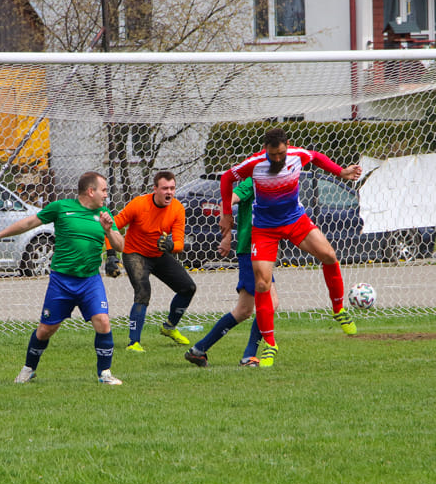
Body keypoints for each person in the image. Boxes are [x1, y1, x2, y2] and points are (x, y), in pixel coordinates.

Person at [219, 127, 362, 367]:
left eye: (281, 154)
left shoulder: (297, 155)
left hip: (295, 221)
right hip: (264, 228)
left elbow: (316, 156)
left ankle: (338, 309)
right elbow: (226, 178)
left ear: (288, 146)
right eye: (273, 154)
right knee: (262, 283)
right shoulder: (254, 163)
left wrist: (341, 172)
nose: (277, 158)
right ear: (266, 149)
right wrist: (226, 214)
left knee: (328, 255)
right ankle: (270, 345)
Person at [0, 171, 125, 385]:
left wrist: (109, 230)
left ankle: (104, 374)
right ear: (90, 191)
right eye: (103, 190)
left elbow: (121, 246)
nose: (106, 195)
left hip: (90, 281)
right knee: (46, 329)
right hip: (62, 282)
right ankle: (28, 369)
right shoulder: (61, 208)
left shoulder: (104, 214)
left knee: (103, 322)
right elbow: (30, 222)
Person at [183, 177, 278, 368]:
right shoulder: (253, 181)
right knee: (270, 303)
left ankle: (199, 350)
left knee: (243, 310)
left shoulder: (278, 182)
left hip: (261, 250)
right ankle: (248, 356)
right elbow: (228, 200)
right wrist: (226, 234)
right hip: (252, 250)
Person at [104, 171, 197, 352]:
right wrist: (111, 255)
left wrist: (170, 246)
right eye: (164, 188)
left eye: (172, 188)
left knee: (188, 288)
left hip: (159, 254)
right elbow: (111, 227)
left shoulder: (177, 208)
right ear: (155, 189)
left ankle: (169, 327)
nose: (169, 192)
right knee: (143, 291)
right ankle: (134, 343)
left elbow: (179, 243)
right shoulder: (139, 204)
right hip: (134, 254)